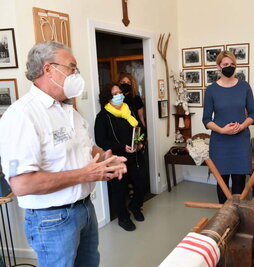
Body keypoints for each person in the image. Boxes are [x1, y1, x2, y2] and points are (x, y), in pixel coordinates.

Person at [0, 41, 127, 267]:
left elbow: (87, 148)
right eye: (72, 67)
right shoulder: (22, 115)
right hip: (52, 219)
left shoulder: (69, 110)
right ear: (48, 69)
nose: (76, 74)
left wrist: (108, 159)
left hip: (84, 209)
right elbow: (21, 184)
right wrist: (85, 174)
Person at [202, 51, 254, 204]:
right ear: (218, 67)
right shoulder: (211, 90)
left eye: (232, 64)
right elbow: (206, 119)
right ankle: (224, 216)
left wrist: (242, 126)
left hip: (240, 141)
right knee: (222, 183)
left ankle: (238, 216)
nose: (229, 67)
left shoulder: (244, 87)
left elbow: (253, 113)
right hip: (220, 143)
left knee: (239, 182)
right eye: (226, 64)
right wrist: (221, 130)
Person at [94, 82, 147, 231]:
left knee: (141, 184)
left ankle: (135, 207)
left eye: (120, 92)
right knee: (119, 190)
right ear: (107, 98)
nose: (119, 96)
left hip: (135, 156)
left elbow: (139, 129)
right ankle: (123, 218)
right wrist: (122, 147)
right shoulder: (103, 116)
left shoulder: (128, 109)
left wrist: (139, 143)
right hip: (116, 159)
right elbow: (101, 140)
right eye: (115, 94)